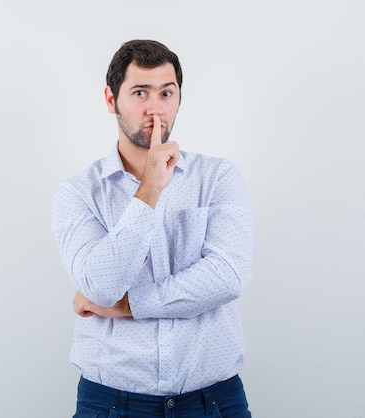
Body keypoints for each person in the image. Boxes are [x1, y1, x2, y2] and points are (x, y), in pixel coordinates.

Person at [51, 39, 254, 417]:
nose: (155, 108)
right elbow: (101, 286)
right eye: (140, 92)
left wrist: (130, 306)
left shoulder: (217, 177)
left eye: (166, 92)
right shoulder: (77, 194)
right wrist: (150, 187)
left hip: (214, 401)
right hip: (112, 403)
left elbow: (227, 276)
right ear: (111, 100)